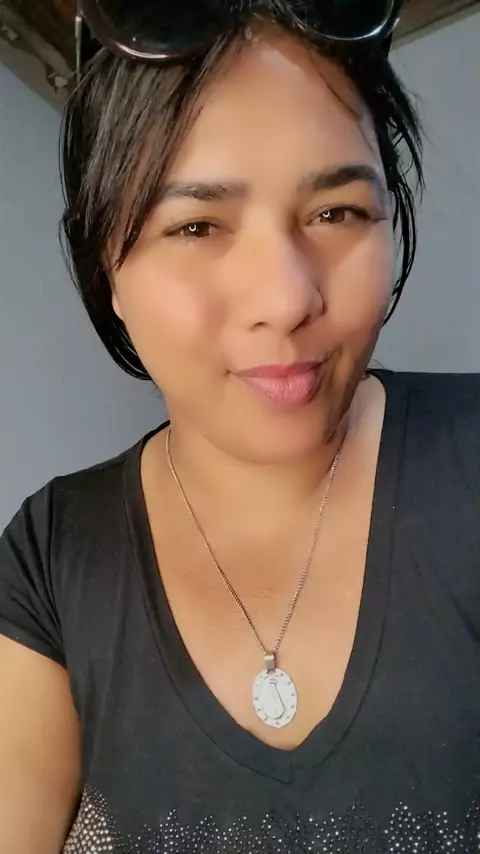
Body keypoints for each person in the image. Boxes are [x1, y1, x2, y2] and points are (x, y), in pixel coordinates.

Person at [0, 0, 479, 851]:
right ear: (106, 270)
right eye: (196, 226)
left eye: (337, 213)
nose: (287, 298)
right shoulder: (52, 554)